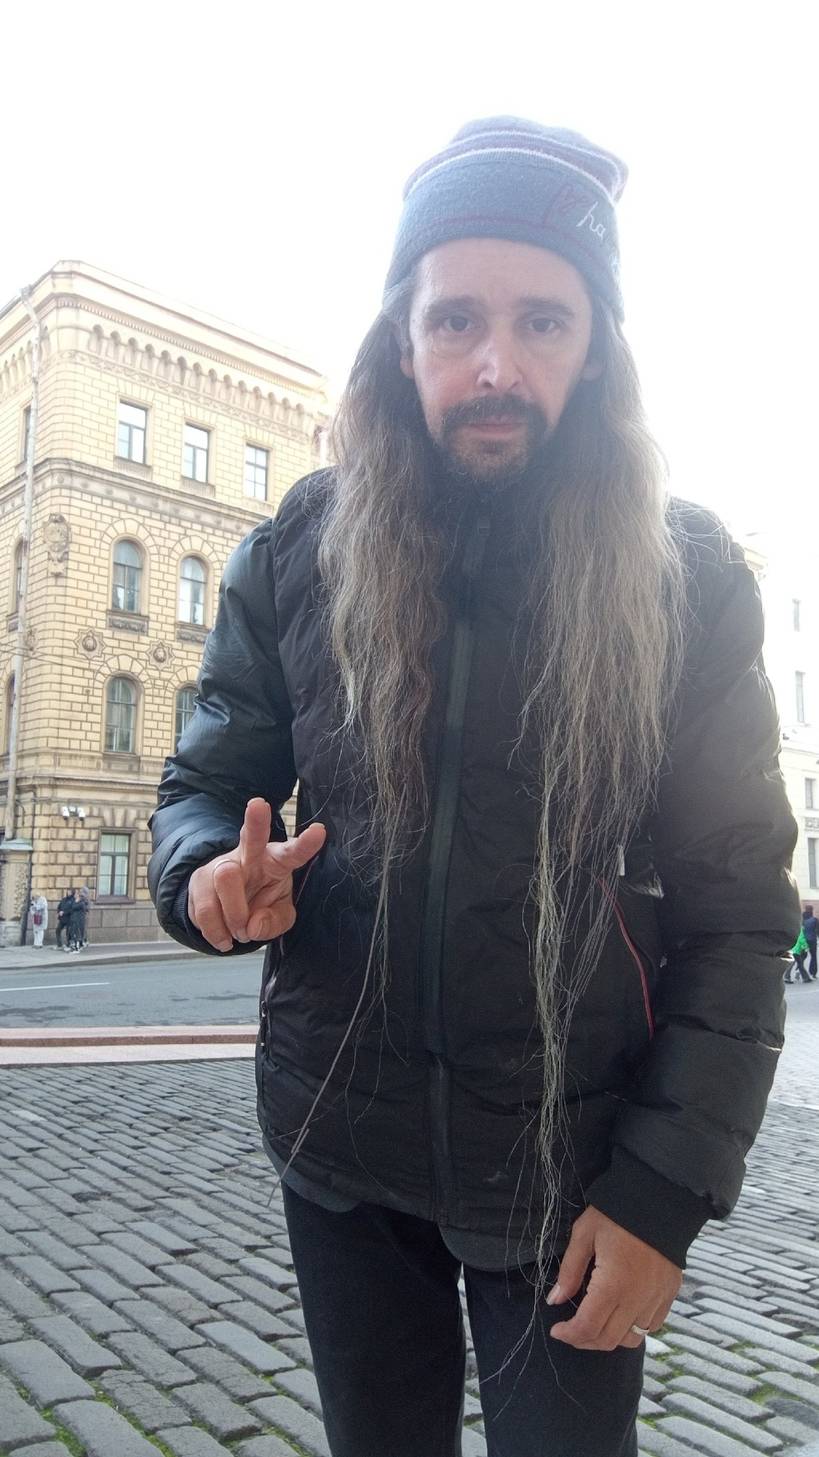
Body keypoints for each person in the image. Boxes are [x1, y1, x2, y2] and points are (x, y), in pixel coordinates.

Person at [149, 118, 800, 1457]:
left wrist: (660, 1193)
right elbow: (204, 784)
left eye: (541, 320)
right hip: (340, 1148)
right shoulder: (301, 548)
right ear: (402, 340)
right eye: (454, 320)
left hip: (574, 1175)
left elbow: (739, 912)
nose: (494, 364)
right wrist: (206, 874)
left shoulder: (687, 582)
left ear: (596, 345)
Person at [66, 890, 86, 954]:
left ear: (78, 895)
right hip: (73, 920)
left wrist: (75, 902)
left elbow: (74, 907)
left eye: (75, 894)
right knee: (73, 934)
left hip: (78, 921)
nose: (74, 895)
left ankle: (77, 949)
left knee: (77, 935)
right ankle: (74, 947)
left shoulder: (81, 903)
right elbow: (71, 908)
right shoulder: (75, 901)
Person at [802, 905, 818, 978]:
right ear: (812, 910)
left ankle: (799, 971)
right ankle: (813, 973)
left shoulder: (802, 919)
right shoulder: (814, 920)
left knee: (802, 957)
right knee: (813, 956)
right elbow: (817, 931)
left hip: (803, 941)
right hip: (812, 941)